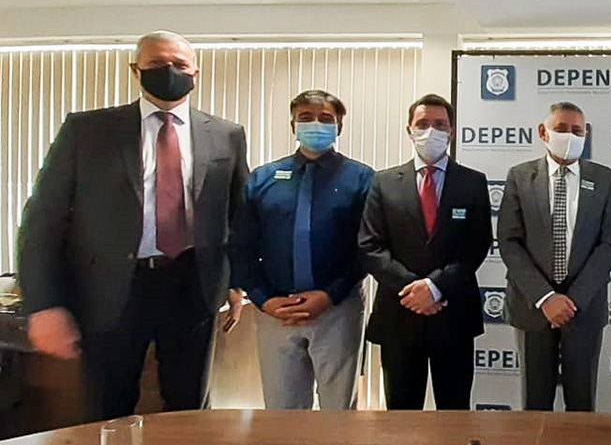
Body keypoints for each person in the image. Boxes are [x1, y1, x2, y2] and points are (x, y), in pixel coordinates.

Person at [17, 31, 248, 420]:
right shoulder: (88, 131)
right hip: (109, 291)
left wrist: (239, 282)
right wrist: (43, 305)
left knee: (189, 411)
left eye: (179, 64)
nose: (169, 71)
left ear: (196, 72)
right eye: (156, 64)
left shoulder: (227, 135)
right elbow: (42, 220)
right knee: (107, 410)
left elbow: (238, 215)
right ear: (135, 70)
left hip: (193, 287)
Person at [231, 90, 373, 410]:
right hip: (276, 311)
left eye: (325, 118)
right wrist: (264, 299)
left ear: (339, 126)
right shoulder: (262, 179)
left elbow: (367, 248)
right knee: (283, 411)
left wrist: (330, 295)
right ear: (293, 124)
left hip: (337, 308)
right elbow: (241, 246)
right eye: (306, 118)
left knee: (339, 411)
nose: (315, 124)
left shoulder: (362, 178)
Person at [358, 94, 491, 409]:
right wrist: (414, 290)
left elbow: (476, 245)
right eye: (423, 123)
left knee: (455, 412)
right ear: (409, 129)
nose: (431, 131)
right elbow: (370, 246)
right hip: (399, 315)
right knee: (401, 414)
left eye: (440, 124)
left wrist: (434, 287)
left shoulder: (473, 183)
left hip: (454, 314)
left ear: (452, 131)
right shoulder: (383, 182)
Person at [497, 102, 611, 411]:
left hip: (584, 308)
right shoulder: (519, 177)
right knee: (535, 403)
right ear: (543, 132)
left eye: (577, 131)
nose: (570, 136)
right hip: (532, 307)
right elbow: (509, 242)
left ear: (586, 134)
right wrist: (546, 298)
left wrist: (572, 300)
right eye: (562, 129)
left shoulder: (605, 179)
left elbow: (609, 244)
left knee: (581, 403)